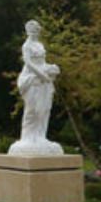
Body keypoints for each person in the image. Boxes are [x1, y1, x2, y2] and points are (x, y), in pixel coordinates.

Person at [8, 20, 63, 155]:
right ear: (27, 31)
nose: (34, 32)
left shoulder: (40, 44)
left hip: (43, 78)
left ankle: (40, 137)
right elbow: (28, 63)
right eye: (31, 30)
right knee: (33, 108)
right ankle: (28, 138)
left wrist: (51, 68)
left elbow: (42, 62)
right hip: (31, 79)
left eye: (36, 30)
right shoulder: (26, 46)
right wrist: (43, 75)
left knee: (44, 108)